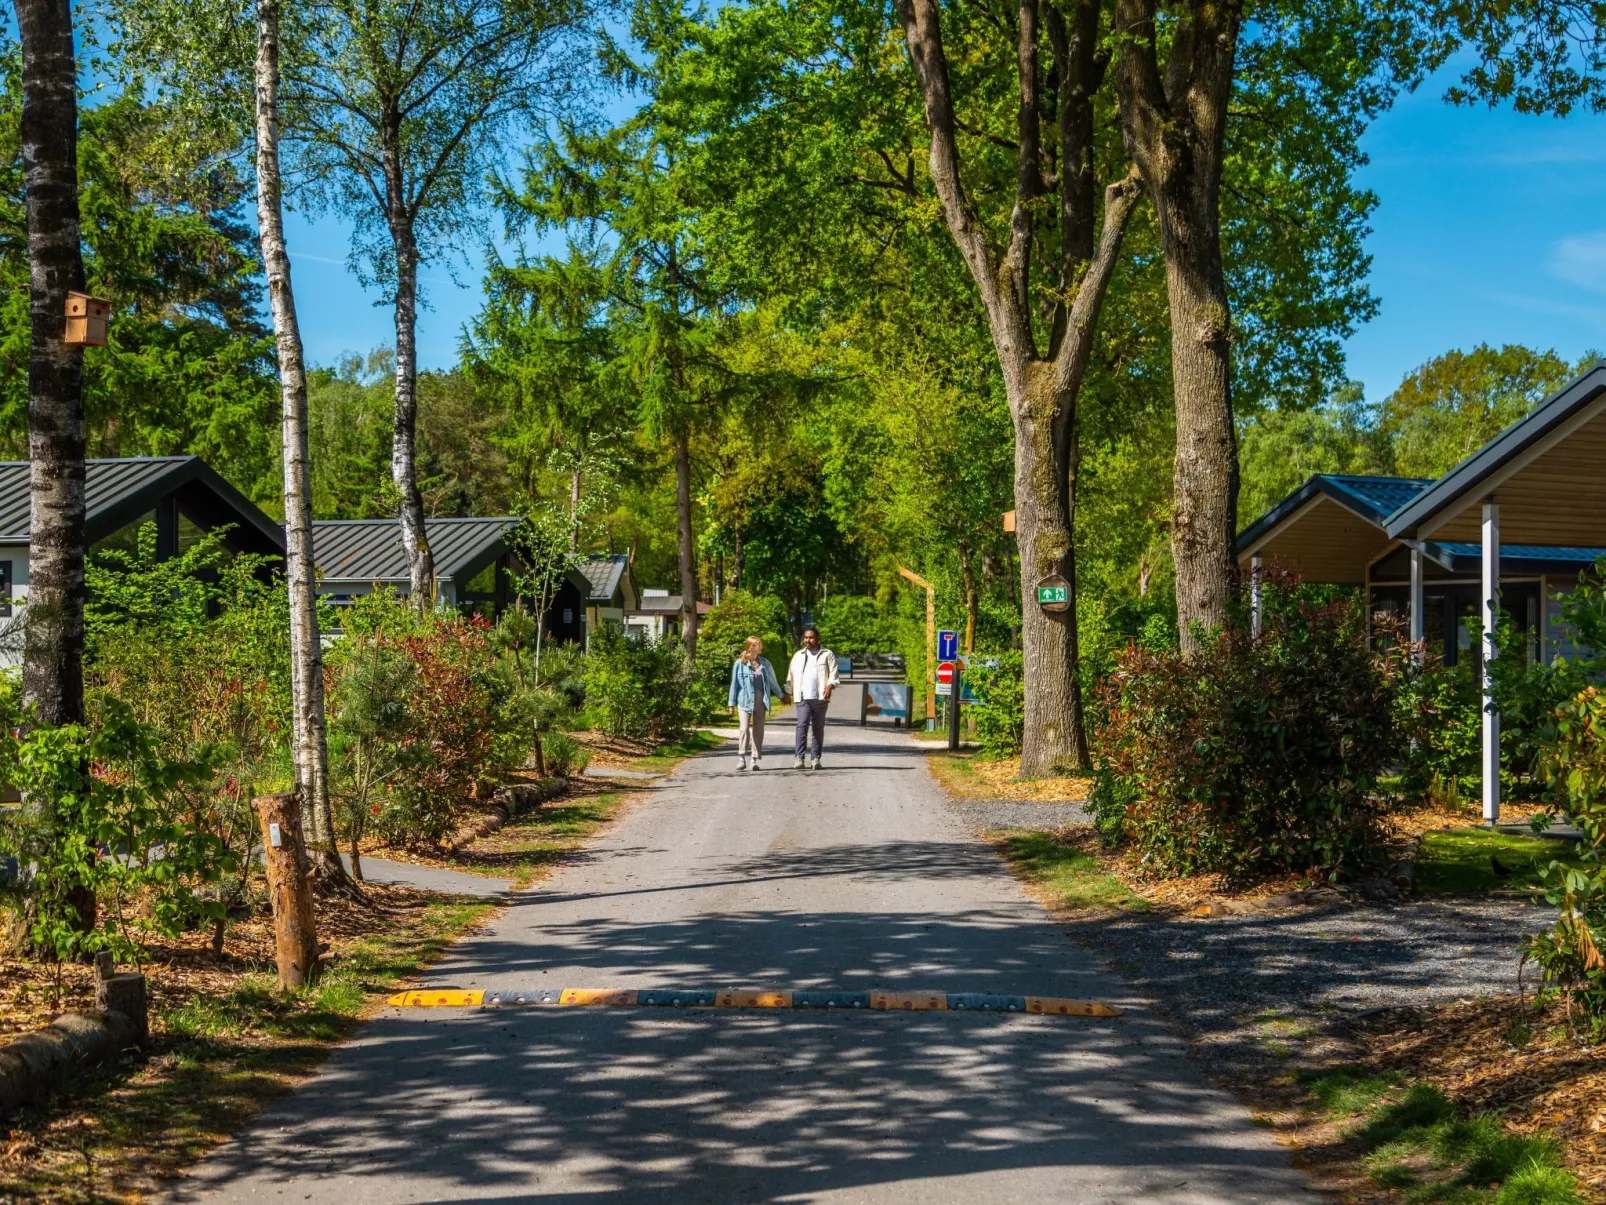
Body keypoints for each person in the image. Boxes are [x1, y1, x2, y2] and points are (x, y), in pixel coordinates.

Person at [786, 626, 839, 770]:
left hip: (821, 698)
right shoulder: (798, 655)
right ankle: (799, 758)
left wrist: (829, 686)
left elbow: (834, 674)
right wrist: (788, 692)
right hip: (803, 697)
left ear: (817, 638)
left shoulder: (827, 654)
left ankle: (815, 758)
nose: (808, 640)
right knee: (801, 726)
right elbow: (790, 675)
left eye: (811, 637)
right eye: (806, 638)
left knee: (818, 728)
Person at [727, 636, 781, 771]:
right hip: (744, 699)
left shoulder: (765, 663)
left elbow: (773, 681)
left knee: (758, 729)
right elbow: (734, 684)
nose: (761, 647)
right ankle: (741, 757)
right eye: (758, 645)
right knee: (744, 729)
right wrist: (731, 703)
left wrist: (781, 695)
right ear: (751, 647)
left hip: (760, 699)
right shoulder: (739, 664)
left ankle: (754, 759)